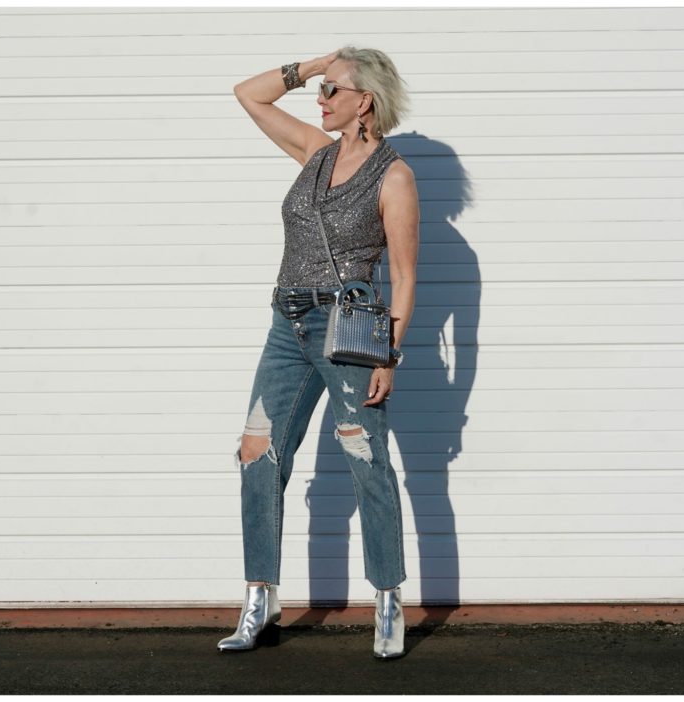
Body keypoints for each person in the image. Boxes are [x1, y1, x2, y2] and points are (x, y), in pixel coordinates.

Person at [217, 47, 420, 660]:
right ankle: (260, 598)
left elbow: (406, 277)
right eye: (322, 89)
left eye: (333, 90)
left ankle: (387, 601)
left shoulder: (394, 176)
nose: (321, 99)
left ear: (367, 101)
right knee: (258, 453)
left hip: (348, 329)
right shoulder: (314, 150)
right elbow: (246, 93)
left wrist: (390, 356)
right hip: (287, 323)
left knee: (365, 457)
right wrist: (311, 64)